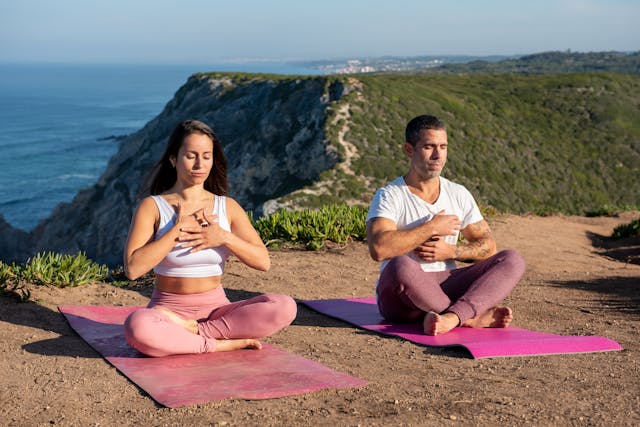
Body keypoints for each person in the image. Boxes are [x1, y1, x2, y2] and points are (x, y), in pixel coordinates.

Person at [122, 119, 297, 357]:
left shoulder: (227, 207)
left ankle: (195, 333)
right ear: (174, 159)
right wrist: (175, 231)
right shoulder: (153, 207)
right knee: (137, 326)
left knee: (285, 307)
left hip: (218, 311)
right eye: (191, 155)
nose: (199, 164)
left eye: (206, 156)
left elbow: (263, 262)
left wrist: (223, 237)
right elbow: (133, 269)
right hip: (167, 311)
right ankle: (215, 343)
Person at [366, 114, 525, 336]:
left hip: (446, 284)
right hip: (402, 295)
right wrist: (431, 227)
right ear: (409, 150)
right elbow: (379, 249)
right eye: (429, 146)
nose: (438, 154)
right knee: (400, 265)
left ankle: (451, 317)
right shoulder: (390, 195)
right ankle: (469, 317)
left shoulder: (458, 193)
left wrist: (452, 251)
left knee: (512, 259)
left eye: (443, 146)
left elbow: (488, 246)